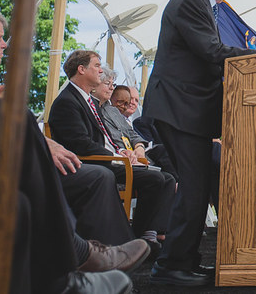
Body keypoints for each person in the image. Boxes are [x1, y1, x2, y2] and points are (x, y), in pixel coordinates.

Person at [0, 65, 137, 293]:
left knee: (14, 205)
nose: (4, 43)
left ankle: (62, 277)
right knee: (8, 114)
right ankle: (70, 267)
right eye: (0, 37)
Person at [142, 0, 256, 287]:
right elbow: (210, 51)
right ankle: (170, 268)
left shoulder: (198, 1)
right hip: (179, 109)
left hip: (186, 110)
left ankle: (186, 262)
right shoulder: (191, 0)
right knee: (192, 190)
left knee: (197, 187)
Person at [49, 51, 176, 256]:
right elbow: (80, 144)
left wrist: (123, 151)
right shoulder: (67, 102)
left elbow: (105, 138)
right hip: (92, 164)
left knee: (166, 177)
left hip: (109, 160)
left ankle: (144, 236)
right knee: (155, 179)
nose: (101, 70)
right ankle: (136, 238)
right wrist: (117, 158)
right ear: (81, 69)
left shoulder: (88, 102)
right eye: (97, 65)